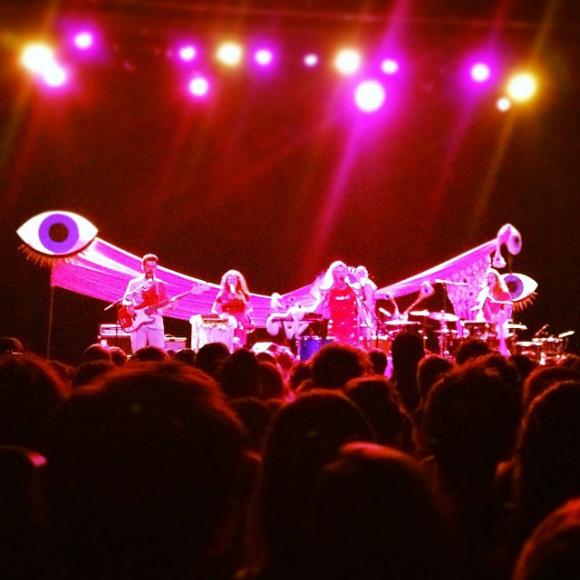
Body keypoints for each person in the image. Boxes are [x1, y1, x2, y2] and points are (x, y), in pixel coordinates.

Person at [121, 254, 173, 353]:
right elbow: (126, 299)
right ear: (143, 267)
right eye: (148, 266)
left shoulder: (160, 284)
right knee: (138, 354)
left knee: (158, 355)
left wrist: (172, 305)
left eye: (153, 266)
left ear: (156, 267)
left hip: (156, 322)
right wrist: (129, 306)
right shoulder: (134, 283)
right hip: (139, 324)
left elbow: (166, 304)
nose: (151, 269)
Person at [312, 261, 359, 345]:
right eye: (337, 272)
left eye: (343, 271)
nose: (341, 273)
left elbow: (361, 309)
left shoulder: (353, 290)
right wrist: (324, 300)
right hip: (335, 328)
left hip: (351, 327)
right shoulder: (329, 291)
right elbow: (317, 310)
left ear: (346, 273)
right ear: (333, 275)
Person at [212, 269, 252, 348]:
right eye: (229, 279)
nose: (231, 281)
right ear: (226, 281)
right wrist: (221, 317)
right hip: (227, 323)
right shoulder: (221, 295)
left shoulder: (244, 294)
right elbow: (214, 310)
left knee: (239, 345)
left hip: (240, 323)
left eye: (234, 279)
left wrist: (246, 318)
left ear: (238, 281)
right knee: (227, 345)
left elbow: (249, 309)